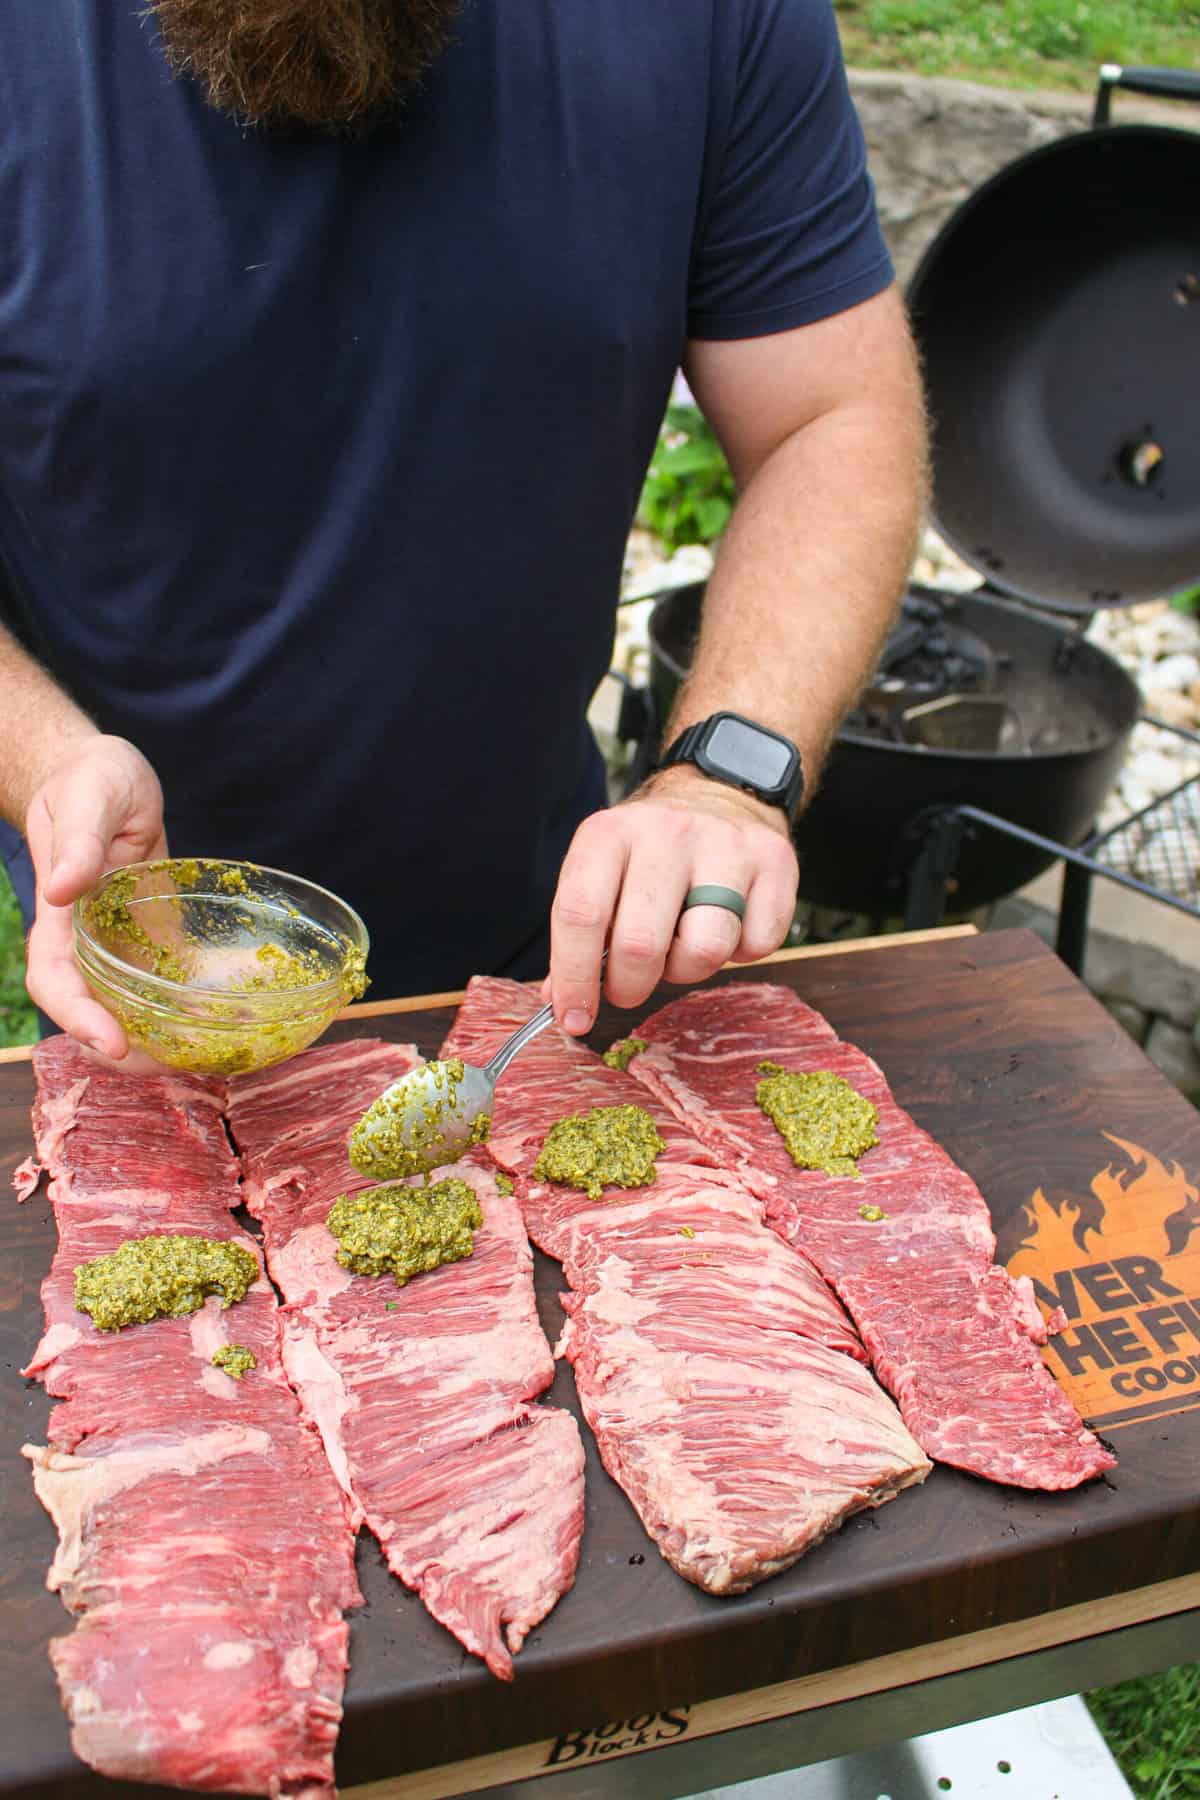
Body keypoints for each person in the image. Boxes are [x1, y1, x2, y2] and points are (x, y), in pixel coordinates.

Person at [0, 0, 926, 1065]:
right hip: (143, 971)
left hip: (547, 950)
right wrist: (44, 765)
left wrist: (730, 776)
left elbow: (830, 418)